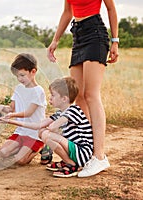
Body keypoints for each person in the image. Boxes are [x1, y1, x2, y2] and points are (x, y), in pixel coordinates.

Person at [46, 0, 119, 177]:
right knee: (78, 96)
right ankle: (83, 154)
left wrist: (115, 41)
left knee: (91, 95)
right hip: (77, 35)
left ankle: (99, 156)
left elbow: (111, 8)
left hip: (95, 33)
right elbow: (67, 12)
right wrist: (55, 40)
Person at [0, 77, 93, 177]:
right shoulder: (59, 113)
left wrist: (46, 131)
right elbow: (37, 125)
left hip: (82, 152)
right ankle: (67, 161)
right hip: (74, 150)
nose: (50, 98)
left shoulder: (73, 110)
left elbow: (53, 127)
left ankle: (72, 164)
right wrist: (10, 121)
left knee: (46, 134)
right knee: (43, 132)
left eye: (53, 95)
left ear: (64, 99)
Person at [0, 53, 47, 165]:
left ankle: (43, 146)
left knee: (20, 161)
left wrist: (11, 117)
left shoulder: (38, 91)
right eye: (17, 76)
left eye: (22, 75)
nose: (19, 79)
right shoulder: (19, 88)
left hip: (34, 132)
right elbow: (12, 108)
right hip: (21, 131)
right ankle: (23, 148)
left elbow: (28, 113)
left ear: (33, 72)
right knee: (3, 153)